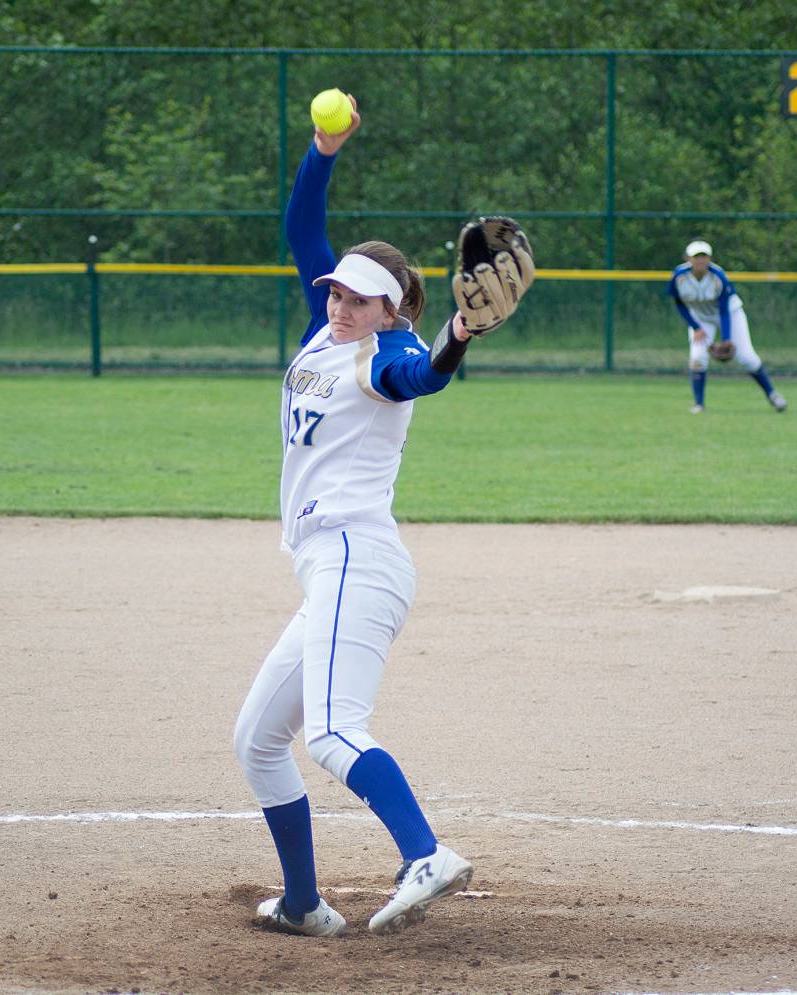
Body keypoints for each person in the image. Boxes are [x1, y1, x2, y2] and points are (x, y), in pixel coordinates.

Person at [233, 96, 493, 937]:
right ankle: (305, 903)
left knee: (336, 732)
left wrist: (455, 331)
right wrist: (323, 149)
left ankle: (425, 852)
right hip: (326, 567)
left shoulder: (394, 352)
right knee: (259, 740)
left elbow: (425, 380)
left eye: (360, 297)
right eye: (337, 290)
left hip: (356, 556)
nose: (342, 303)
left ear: (392, 309)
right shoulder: (326, 331)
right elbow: (302, 224)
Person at [667, 240, 787, 414]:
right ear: (688, 258)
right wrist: (695, 327)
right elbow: (678, 303)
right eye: (696, 257)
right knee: (697, 358)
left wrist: (726, 339)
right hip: (700, 319)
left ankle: (773, 395)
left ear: (709, 258)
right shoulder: (679, 276)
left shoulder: (718, 276)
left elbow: (724, 311)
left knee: (747, 358)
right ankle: (699, 404)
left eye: (703, 256)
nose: (700, 261)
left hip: (731, 314)